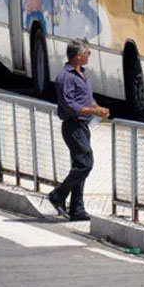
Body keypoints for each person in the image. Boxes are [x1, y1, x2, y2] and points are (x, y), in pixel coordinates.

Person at [47, 40, 109, 222]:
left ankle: (77, 208)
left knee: (79, 165)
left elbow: (86, 98)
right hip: (73, 125)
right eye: (87, 53)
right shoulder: (65, 77)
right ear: (78, 56)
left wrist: (98, 108)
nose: (89, 56)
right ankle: (58, 194)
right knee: (85, 163)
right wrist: (94, 111)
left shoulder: (82, 73)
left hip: (83, 125)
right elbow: (70, 105)